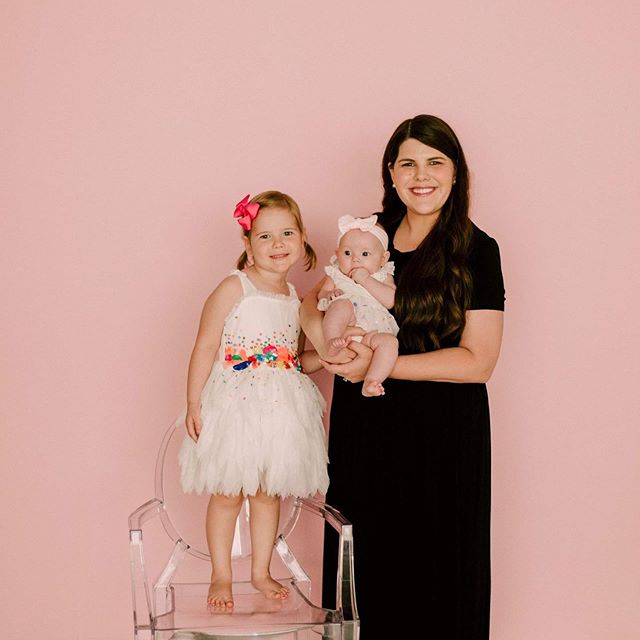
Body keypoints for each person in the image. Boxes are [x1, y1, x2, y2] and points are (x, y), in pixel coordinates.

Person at [301, 115, 505, 638]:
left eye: (435, 162)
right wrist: (331, 348)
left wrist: (381, 366)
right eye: (408, 163)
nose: (422, 175)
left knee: (440, 579)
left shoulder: (478, 250)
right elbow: (311, 302)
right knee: (362, 575)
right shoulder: (367, 235)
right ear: (391, 173)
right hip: (365, 430)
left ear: (456, 173)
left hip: (445, 437)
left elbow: (477, 361)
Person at [180, 191, 329, 610]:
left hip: (281, 410)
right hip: (236, 405)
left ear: (302, 239)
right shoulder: (235, 286)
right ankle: (221, 573)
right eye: (265, 236)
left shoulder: (295, 301)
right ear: (248, 244)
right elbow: (205, 345)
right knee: (229, 492)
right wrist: (194, 403)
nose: (278, 243)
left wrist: (331, 359)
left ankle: (261, 570)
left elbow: (294, 359)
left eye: (287, 233)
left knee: (268, 492)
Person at [316, 214, 399, 397]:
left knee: (390, 343)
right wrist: (329, 294)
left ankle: (372, 380)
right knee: (341, 305)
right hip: (347, 329)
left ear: (383, 259)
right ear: (337, 254)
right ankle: (332, 342)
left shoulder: (382, 276)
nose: (355, 260)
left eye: (365, 254)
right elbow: (320, 294)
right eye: (347, 253)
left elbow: (391, 299)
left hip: (372, 333)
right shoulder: (337, 274)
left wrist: (366, 280)